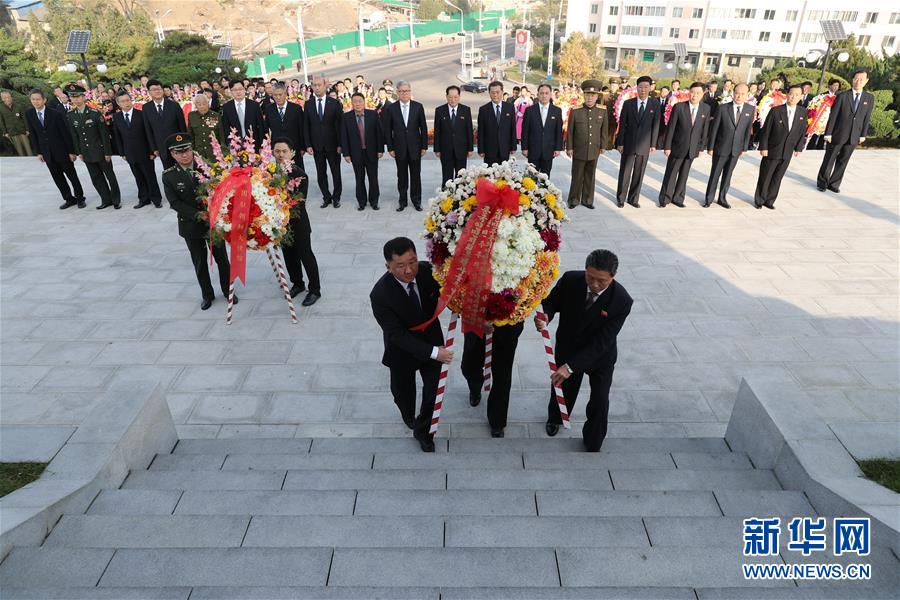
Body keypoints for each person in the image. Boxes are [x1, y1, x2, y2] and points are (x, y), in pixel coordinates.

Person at [536, 249, 633, 452]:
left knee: (600, 399)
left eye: (601, 281)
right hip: (569, 346)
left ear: (613, 277)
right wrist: (546, 316)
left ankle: (593, 440)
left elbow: (602, 342)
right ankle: (556, 418)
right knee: (562, 386)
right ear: (585, 269)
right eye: (590, 277)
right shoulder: (571, 280)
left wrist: (570, 367)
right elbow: (551, 302)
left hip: (600, 356)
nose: (594, 284)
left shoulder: (622, 300)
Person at [369, 237, 451, 452]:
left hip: (431, 338)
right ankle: (408, 415)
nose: (408, 270)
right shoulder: (380, 295)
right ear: (388, 266)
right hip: (402, 351)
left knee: (434, 391)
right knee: (402, 393)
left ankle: (424, 432)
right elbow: (396, 335)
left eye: (412, 262)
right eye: (400, 266)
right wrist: (434, 352)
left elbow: (449, 291)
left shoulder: (427, 272)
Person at [161, 133, 234, 311]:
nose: (184, 155)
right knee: (200, 262)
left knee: (222, 259)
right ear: (172, 154)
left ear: (192, 149)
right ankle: (207, 295)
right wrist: (197, 214)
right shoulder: (169, 176)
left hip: (214, 222)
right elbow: (175, 203)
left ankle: (228, 291)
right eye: (179, 152)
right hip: (190, 225)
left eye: (187, 150)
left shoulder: (207, 167)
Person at [272, 137, 321, 306]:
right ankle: (297, 283)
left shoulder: (300, 174)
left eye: (284, 151)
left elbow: (298, 202)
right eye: (277, 151)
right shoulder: (268, 172)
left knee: (305, 255)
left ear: (292, 153)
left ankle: (315, 290)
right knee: (289, 255)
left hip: (298, 222)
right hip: (280, 223)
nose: (281, 154)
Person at [25, 88, 85, 209]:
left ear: (44, 100)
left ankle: (80, 198)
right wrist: (39, 152)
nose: (35, 102)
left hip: (62, 151)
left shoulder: (55, 114)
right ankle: (69, 199)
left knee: (72, 176)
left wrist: (71, 151)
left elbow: (65, 133)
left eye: (38, 99)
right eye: (33, 99)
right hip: (47, 153)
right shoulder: (29, 114)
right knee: (58, 178)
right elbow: (33, 133)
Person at [817, 68, 873, 194]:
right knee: (829, 159)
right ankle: (822, 182)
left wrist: (863, 135)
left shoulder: (869, 98)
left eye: (861, 79)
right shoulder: (842, 96)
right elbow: (833, 116)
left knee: (843, 161)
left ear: (866, 81)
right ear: (853, 80)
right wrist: (828, 133)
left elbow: (867, 117)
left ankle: (834, 184)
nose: (858, 82)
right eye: (856, 79)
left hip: (854, 135)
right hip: (837, 134)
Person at [65, 83, 121, 210]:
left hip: (100, 151)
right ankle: (106, 199)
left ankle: (116, 199)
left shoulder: (95, 113)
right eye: (73, 97)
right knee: (96, 178)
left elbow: (104, 134)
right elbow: (74, 135)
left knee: (110, 176)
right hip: (86, 152)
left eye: (78, 96)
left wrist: (108, 152)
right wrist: (79, 152)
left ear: (83, 97)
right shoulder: (71, 115)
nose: (76, 99)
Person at [754, 83, 808, 210]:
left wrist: (798, 148)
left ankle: (770, 200)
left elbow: (802, 131)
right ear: (787, 95)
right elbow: (766, 130)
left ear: (801, 97)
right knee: (766, 176)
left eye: (797, 95)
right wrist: (763, 147)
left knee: (778, 177)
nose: (793, 97)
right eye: (791, 94)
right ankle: (759, 200)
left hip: (787, 151)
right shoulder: (776, 111)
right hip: (772, 149)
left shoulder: (802, 112)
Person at [660, 81, 710, 208]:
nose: (694, 95)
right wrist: (667, 146)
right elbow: (671, 128)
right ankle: (665, 198)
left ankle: (678, 198)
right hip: (677, 147)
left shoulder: (705, 109)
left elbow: (704, 130)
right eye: (692, 92)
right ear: (689, 93)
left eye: (698, 93)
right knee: (671, 174)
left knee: (684, 175)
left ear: (702, 94)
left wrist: (701, 147)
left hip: (692, 148)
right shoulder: (679, 107)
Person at [705, 82, 754, 209]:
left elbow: (747, 130)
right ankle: (709, 198)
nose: (739, 96)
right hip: (721, 147)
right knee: (715, 174)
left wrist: (744, 147)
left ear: (747, 95)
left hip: (736, 149)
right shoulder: (723, 108)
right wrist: (710, 147)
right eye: (737, 93)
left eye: (742, 94)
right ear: (733, 93)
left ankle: (722, 198)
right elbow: (714, 129)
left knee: (728, 175)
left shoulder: (750, 109)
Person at [382, 80, 428, 212]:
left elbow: (423, 128)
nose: (404, 93)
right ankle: (402, 201)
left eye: (406, 91)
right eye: (401, 91)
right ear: (397, 92)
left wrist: (424, 146)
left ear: (410, 91)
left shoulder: (418, 106)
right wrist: (390, 148)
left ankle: (416, 201)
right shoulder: (391, 108)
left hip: (415, 148)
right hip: (399, 148)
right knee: (401, 177)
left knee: (416, 176)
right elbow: (388, 130)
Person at [112, 91, 163, 209]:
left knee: (150, 176)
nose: (126, 103)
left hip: (145, 152)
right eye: (123, 101)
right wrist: (122, 152)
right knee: (138, 177)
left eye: (127, 100)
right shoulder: (117, 117)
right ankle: (144, 199)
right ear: (118, 103)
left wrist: (152, 151)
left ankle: (156, 199)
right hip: (129, 152)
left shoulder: (141, 114)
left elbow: (148, 133)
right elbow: (117, 136)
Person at [615, 75, 660, 208]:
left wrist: (653, 144)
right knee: (625, 172)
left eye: (646, 87)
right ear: (637, 88)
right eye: (640, 87)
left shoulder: (655, 104)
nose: (643, 90)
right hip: (628, 143)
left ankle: (633, 199)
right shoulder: (628, 104)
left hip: (645, 144)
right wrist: (620, 143)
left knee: (639, 173)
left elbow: (656, 125)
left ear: (650, 88)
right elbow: (622, 125)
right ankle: (621, 198)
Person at [565, 79, 608, 209]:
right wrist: (569, 147)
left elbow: (604, 130)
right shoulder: (576, 111)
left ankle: (588, 200)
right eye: (588, 94)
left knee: (590, 176)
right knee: (577, 176)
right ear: (584, 95)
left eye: (593, 95)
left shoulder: (602, 111)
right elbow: (570, 131)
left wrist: (603, 146)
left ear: (597, 96)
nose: (590, 98)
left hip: (594, 149)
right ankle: (574, 199)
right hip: (579, 149)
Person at [304, 76, 344, 208]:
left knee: (336, 172)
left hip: (333, 145)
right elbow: (306, 126)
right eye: (314, 85)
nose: (317, 88)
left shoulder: (334, 103)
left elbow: (340, 125)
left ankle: (336, 197)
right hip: (317, 146)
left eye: (319, 85)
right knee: (321, 173)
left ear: (325, 85)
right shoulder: (308, 104)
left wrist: (340, 144)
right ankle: (326, 197)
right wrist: (308, 144)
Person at [341, 92, 384, 211]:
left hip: (372, 152)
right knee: (359, 179)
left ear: (364, 102)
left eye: (360, 101)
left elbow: (379, 133)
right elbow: (344, 136)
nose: (358, 104)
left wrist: (380, 149)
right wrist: (346, 154)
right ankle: (361, 202)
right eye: (355, 101)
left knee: (373, 178)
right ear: (352, 103)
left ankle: (374, 201)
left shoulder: (373, 114)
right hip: (356, 153)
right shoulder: (346, 117)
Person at [432, 85, 474, 186]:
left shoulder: (466, 110)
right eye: (450, 97)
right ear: (446, 97)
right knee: (447, 177)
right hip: (446, 150)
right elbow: (437, 131)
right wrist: (437, 149)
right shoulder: (440, 110)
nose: (453, 99)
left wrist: (470, 148)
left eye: (455, 97)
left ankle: (459, 196)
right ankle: (446, 195)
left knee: (461, 177)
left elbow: (469, 130)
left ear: (459, 96)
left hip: (461, 150)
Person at [142, 79, 187, 169]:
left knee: (183, 169)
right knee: (168, 170)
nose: (157, 91)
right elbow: (148, 129)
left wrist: (184, 144)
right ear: (149, 92)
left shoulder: (174, 105)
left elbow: (182, 126)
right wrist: (154, 148)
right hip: (161, 147)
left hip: (177, 145)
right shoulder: (146, 108)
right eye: (154, 90)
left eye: (159, 89)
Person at [521, 83, 563, 176]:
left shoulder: (556, 111)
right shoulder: (530, 110)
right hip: (533, 150)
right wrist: (524, 148)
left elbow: (558, 131)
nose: (544, 96)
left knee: (545, 178)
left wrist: (558, 148)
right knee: (531, 178)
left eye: (546, 93)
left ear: (550, 94)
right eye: (542, 93)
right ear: (538, 94)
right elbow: (525, 131)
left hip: (548, 151)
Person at [265, 82, 305, 171]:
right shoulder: (269, 109)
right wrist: (270, 147)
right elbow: (266, 129)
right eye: (275, 95)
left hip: (294, 147)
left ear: (286, 93)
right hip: (278, 148)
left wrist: (303, 147)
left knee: (298, 171)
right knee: (281, 172)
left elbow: (302, 129)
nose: (278, 97)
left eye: (280, 94)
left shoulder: (296, 108)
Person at [477, 81, 516, 165]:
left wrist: (513, 146)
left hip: (505, 148)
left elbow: (512, 128)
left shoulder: (510, 108)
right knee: (490, 173)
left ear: (502, 92)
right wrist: (481, 149)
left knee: (505, 172)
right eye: (492, 92)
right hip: (489, 150)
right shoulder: (483, 110)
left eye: (497, 92)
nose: (495, 95)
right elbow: (481, 131)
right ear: (489, 93)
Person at [220, 80, 265, 151]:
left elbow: (261, 125)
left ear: (244, 89)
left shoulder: (254, 105)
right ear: (231, 91)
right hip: (236, 146)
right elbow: (226, 128)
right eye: (235, 90)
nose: (238, 92)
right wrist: (229, 144)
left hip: (254, 144)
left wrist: (262, 145)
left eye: (240, 89)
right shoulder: (226, 107)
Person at [186, 93, 225, 165]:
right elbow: (190, 135)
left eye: (204, 104)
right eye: (199, 104)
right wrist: (193, 151)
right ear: (195, 105)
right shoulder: (192, 116)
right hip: (199, 153)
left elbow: (221, 135)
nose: (202, 106)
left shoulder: (215, 116)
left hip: (214, 153)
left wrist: (223, 152)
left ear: (208, 103)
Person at [0, 89, 33, 156]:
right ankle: (22, 161)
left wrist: (27, 129)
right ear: (2, 99)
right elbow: (1, 121)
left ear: (11, 97)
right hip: (12, 132)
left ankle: (31, 160)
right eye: (5, 97)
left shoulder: (18, 106)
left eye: (9, 97)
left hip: (22, 130)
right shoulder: (1, 108)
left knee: (28, 149)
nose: (8, 99)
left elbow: (24, 119)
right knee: (20, 151)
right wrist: (5, 132)